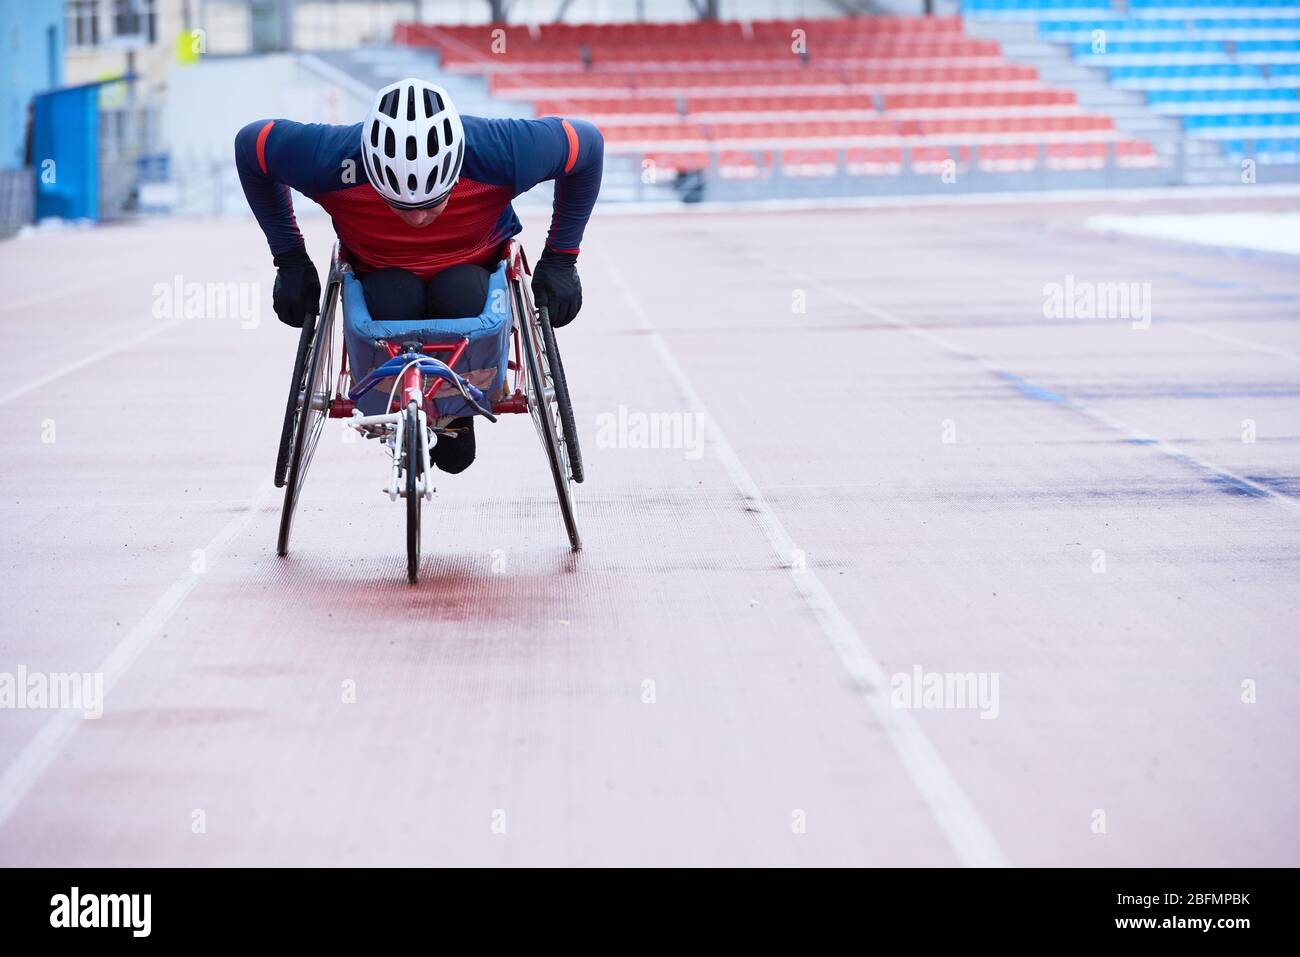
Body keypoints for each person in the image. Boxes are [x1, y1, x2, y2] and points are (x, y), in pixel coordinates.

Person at [235, 77, 603, 473]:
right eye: (398, 204)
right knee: (394, 294)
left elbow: (589, 146)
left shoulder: (501, 151)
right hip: (382, 279)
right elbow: (251, 147)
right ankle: (404, 405)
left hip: (471, 275)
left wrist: (562, 257)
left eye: (433, 202)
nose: (417, 218)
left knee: (458, 289)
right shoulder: (330, 157)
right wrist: (289, 258)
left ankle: (454, 411)